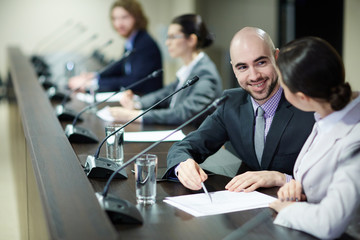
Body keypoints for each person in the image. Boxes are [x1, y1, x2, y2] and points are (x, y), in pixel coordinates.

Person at [165, 27, 315, 192]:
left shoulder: (308, 107)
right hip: (245, 208)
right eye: (242, 67)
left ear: (276, 58)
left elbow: (332, 181)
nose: (254, 76)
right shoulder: (230, 103)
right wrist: (183, 166)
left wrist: (282, 178)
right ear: (234, 68)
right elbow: (184, 147)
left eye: (261, 62)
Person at [269, 37, 360, 239]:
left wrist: (286, 209)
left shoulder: (355, 139)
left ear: (303, 97)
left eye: (283, 87)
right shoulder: (326, 114)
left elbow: (329, 223)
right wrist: (297, 184)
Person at [107, 14, 222, 125]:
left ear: (191, 40)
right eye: (168, 37)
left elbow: (183, 114)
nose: (167, 43)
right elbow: (165, 93)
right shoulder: (189, 67)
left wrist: (135, 115)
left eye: (173, 37)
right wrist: (137, 104)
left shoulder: (206, 73)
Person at [68, 0, 162, 95]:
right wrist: (95, 76)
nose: (118, 24)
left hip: (147, 101)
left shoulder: (145, 44)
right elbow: (121, 66)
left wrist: (93, 83)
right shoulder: (132, 40)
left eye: (124, 17)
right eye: (114, 18)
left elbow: (136, 81)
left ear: (136, 17)